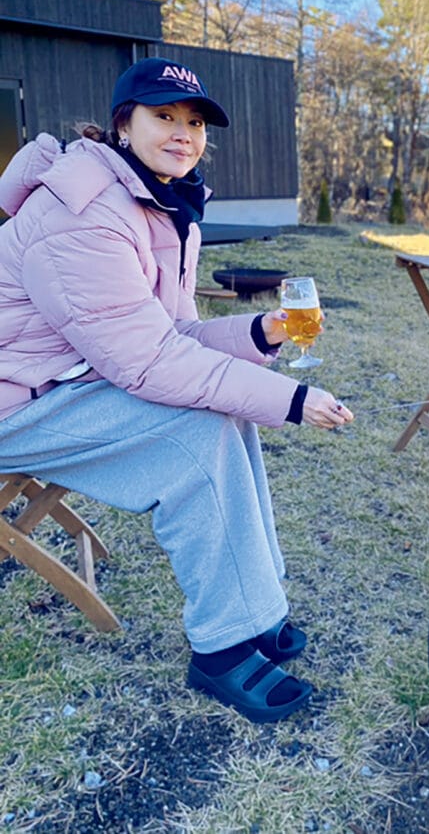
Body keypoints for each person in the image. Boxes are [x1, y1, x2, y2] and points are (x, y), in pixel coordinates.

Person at [0, 56, 354, 724]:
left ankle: (256, 606)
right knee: (194, 433)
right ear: (121, 125)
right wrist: (293, 401)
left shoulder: (154, 201)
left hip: (61, 378)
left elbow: (173, 333)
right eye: (163, 116)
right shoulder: (83, 213)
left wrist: (263, 332)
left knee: (225, 410)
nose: (183, 133)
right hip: (14, 402)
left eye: (194, 121)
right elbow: (149, 362)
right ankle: (222, 649)